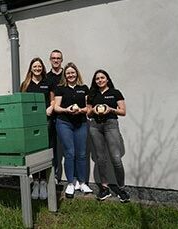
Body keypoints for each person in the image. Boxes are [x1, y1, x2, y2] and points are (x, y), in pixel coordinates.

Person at [87, 69, 130, 202]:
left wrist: (111, 109)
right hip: (95, 126)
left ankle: (121, 188)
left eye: (102, 78)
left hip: (111, 125)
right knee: (100, 158)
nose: (100, 80)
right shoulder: (92, 94)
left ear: (107, 79)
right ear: (95, 81)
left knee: (116, 158)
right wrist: (93, 110)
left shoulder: (115, 93)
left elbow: (123, 112)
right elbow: (88, 113)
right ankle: (104, 188)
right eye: (97, 78)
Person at [54, 62, 93, 198]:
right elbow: (56, 107)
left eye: (73, 72)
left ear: (77, 73)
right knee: (70, 153)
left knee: (82, 153)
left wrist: (81, 110)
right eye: (68, 73)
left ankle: (82, 182)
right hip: (64, 123)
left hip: (81, 123)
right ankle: (70, 183)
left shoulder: (84, 88)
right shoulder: (60, 88)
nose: (70, 75)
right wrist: (67, 109)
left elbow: (89, 108)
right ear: (65, 75)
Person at [20, 57, 54, 200]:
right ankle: (35, 182)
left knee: (44, 151)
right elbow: (21, 102)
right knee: (34, 151)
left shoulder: (48, 83)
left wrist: (50, 108)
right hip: (31, 123)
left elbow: (52, 100)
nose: (37, 68)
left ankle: (44, 182)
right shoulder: (25, 84)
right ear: (31, 68)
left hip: (45, 120)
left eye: (39, 66)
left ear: (42, 68)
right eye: (35, 66)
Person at [46, 50, 64, 184]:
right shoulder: (47, 77)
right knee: (52, 146)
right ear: (50, 60)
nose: (56, 60)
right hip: (52, 117)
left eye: (58, 58)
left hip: (67, 117)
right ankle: (54, 175)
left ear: (61, 60)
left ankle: (73, 178)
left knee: (69, 148)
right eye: (53, 58)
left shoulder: (68, 74)